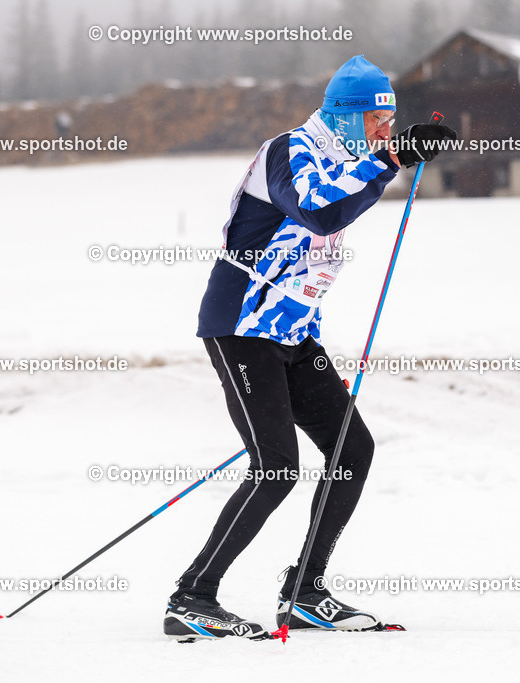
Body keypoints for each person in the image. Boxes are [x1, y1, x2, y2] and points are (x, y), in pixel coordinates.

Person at [163, 55, 456, 642]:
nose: (384, 129)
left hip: (293, 334)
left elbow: (332, 216)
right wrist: (389, 160)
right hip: (241, 325)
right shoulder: (289, 151)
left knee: (353, 448)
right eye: (377, 119)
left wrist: (390, 158)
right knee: (275, 468)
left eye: (391, 119)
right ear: (346, 115)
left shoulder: (349, 156)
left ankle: (304, 592)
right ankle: (191, 597)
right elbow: (319, 212)